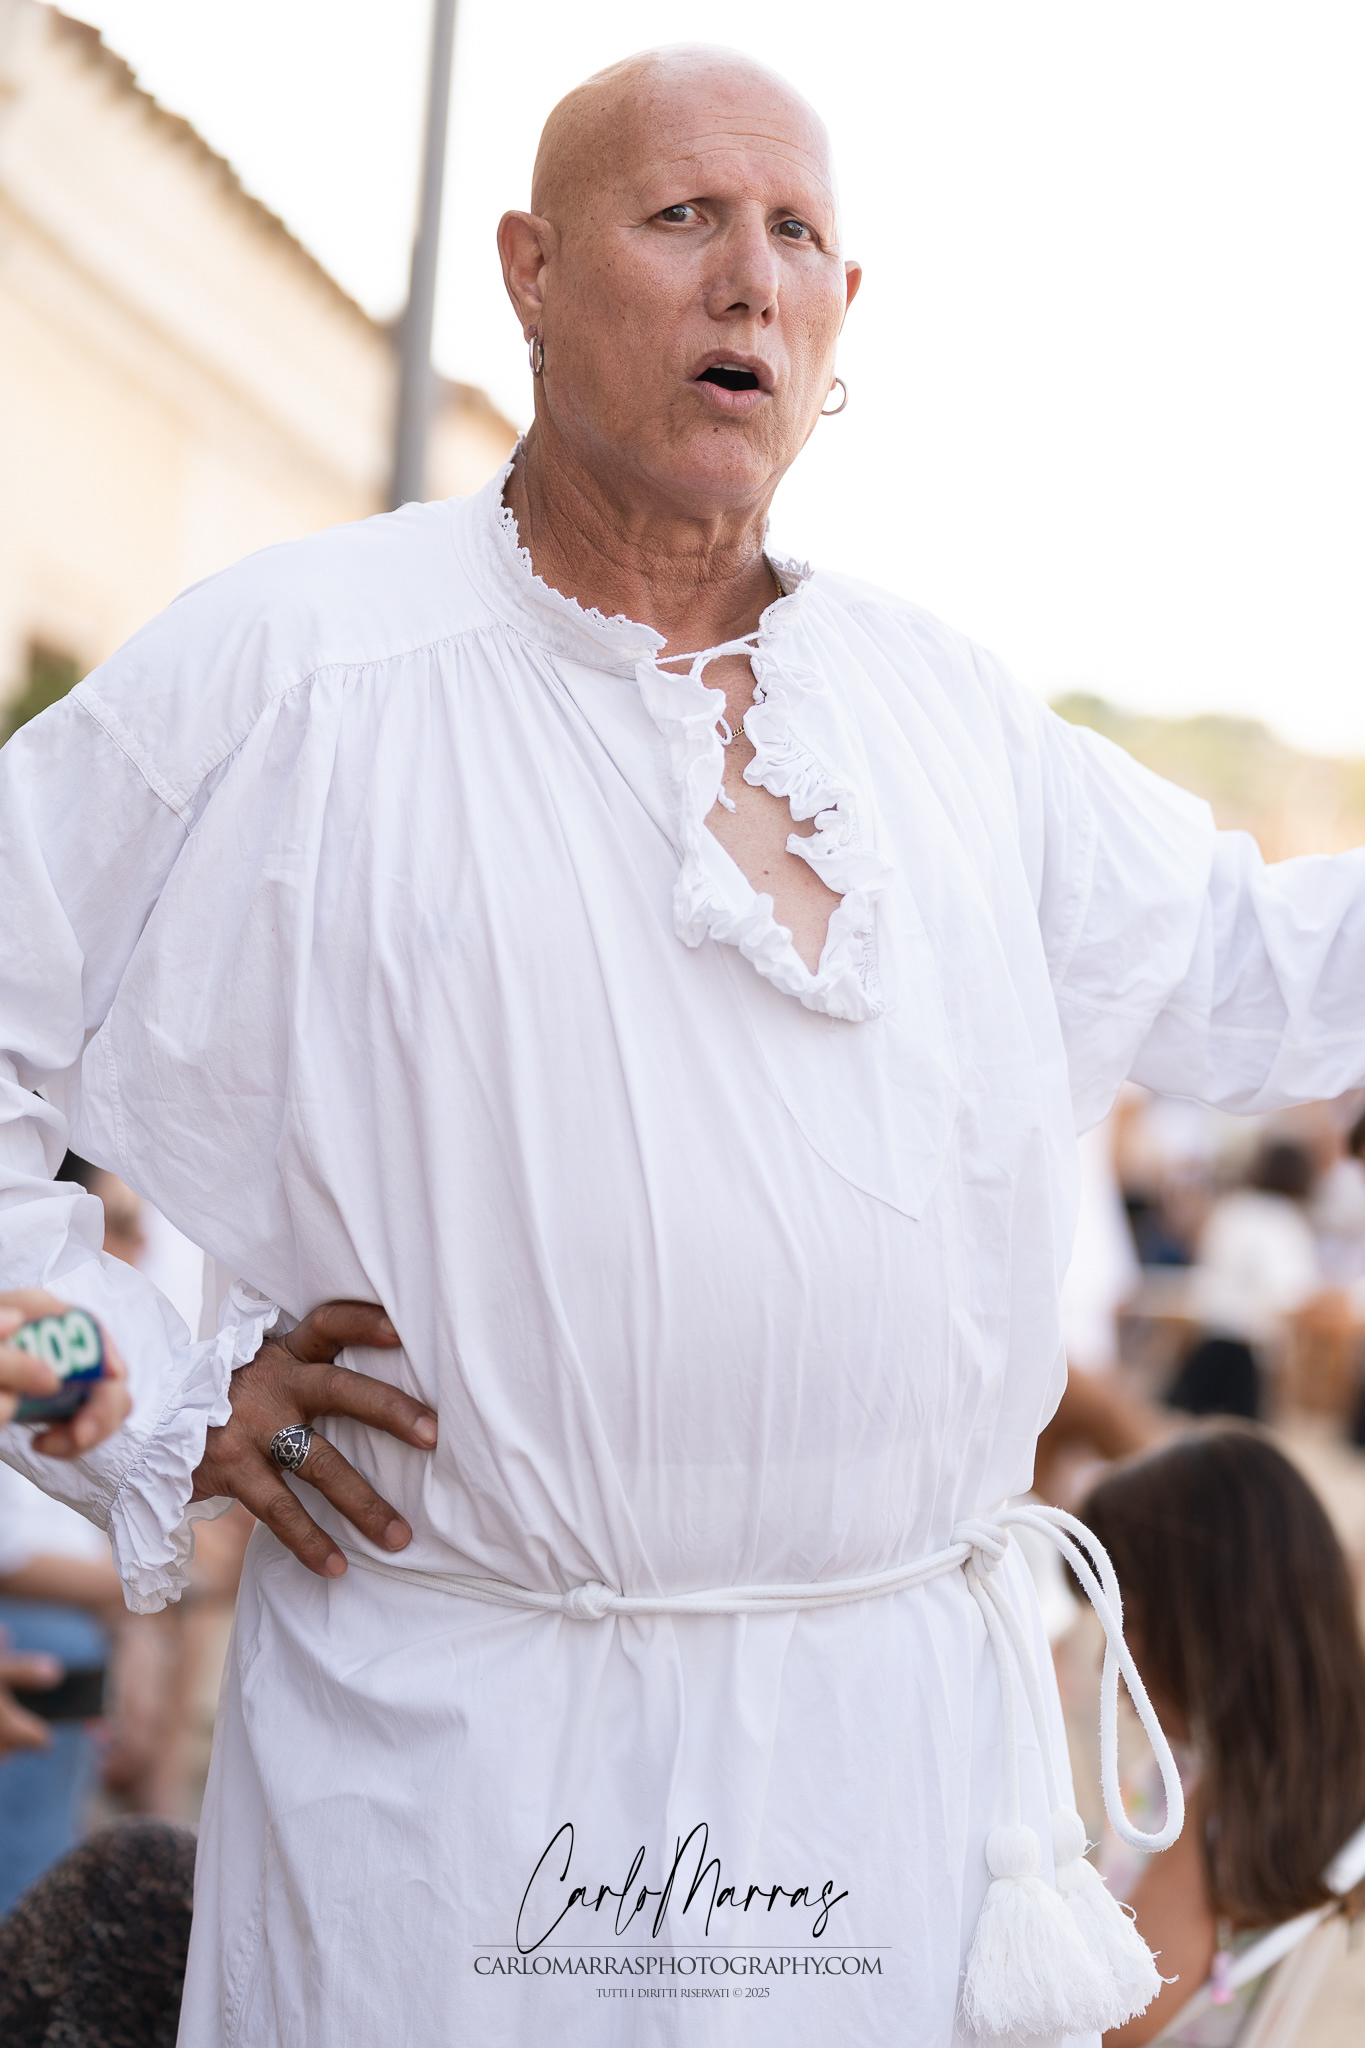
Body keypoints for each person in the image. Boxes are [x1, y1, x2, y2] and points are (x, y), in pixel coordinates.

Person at [5, 43, 1365, 2048]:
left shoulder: (942, 711)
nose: (751, 276)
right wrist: (148, 1395)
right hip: (457, 1771)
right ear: (531, 268)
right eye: (683, 217)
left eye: (797, 233)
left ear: (844, 313)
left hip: (878, 1783)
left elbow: (1257, 967)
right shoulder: (301, 663)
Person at [1080, 1428, 1365, 2045]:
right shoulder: (1291, 1775)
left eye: (1130, 1621)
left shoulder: (1223, 1818)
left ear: (1217, 1629)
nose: (1108, 1659)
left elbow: (1106, 2021)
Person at [1172, 1141, 1322, 1420]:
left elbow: (1205, 1275)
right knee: (1238, 1437)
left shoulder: (1231, 1209)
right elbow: (1293, 1293)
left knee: (1188, 1428)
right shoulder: (1287, 1221)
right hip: (1249, 1354)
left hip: (1207, 1343)